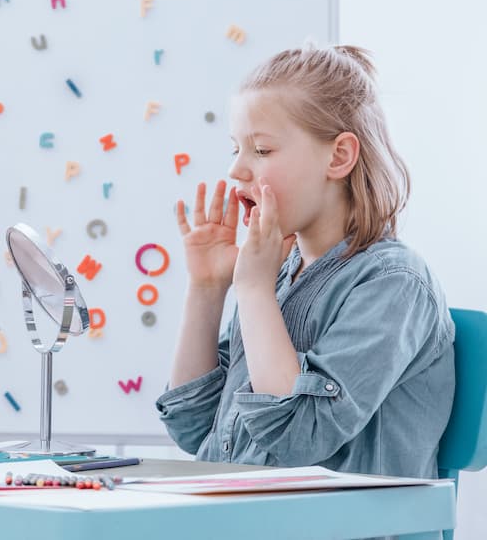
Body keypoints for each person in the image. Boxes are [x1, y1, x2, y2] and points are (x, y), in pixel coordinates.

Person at [156, 44, 455, 479]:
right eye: (235, 149)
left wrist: (254, 291)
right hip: (243, 507)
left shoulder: (394, 284)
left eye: (261, 150)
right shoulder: (277, 272)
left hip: (336, 515)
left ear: (339, 157)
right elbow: (195, 426)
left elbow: (296, 436)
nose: (236, 169)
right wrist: (207, 287)